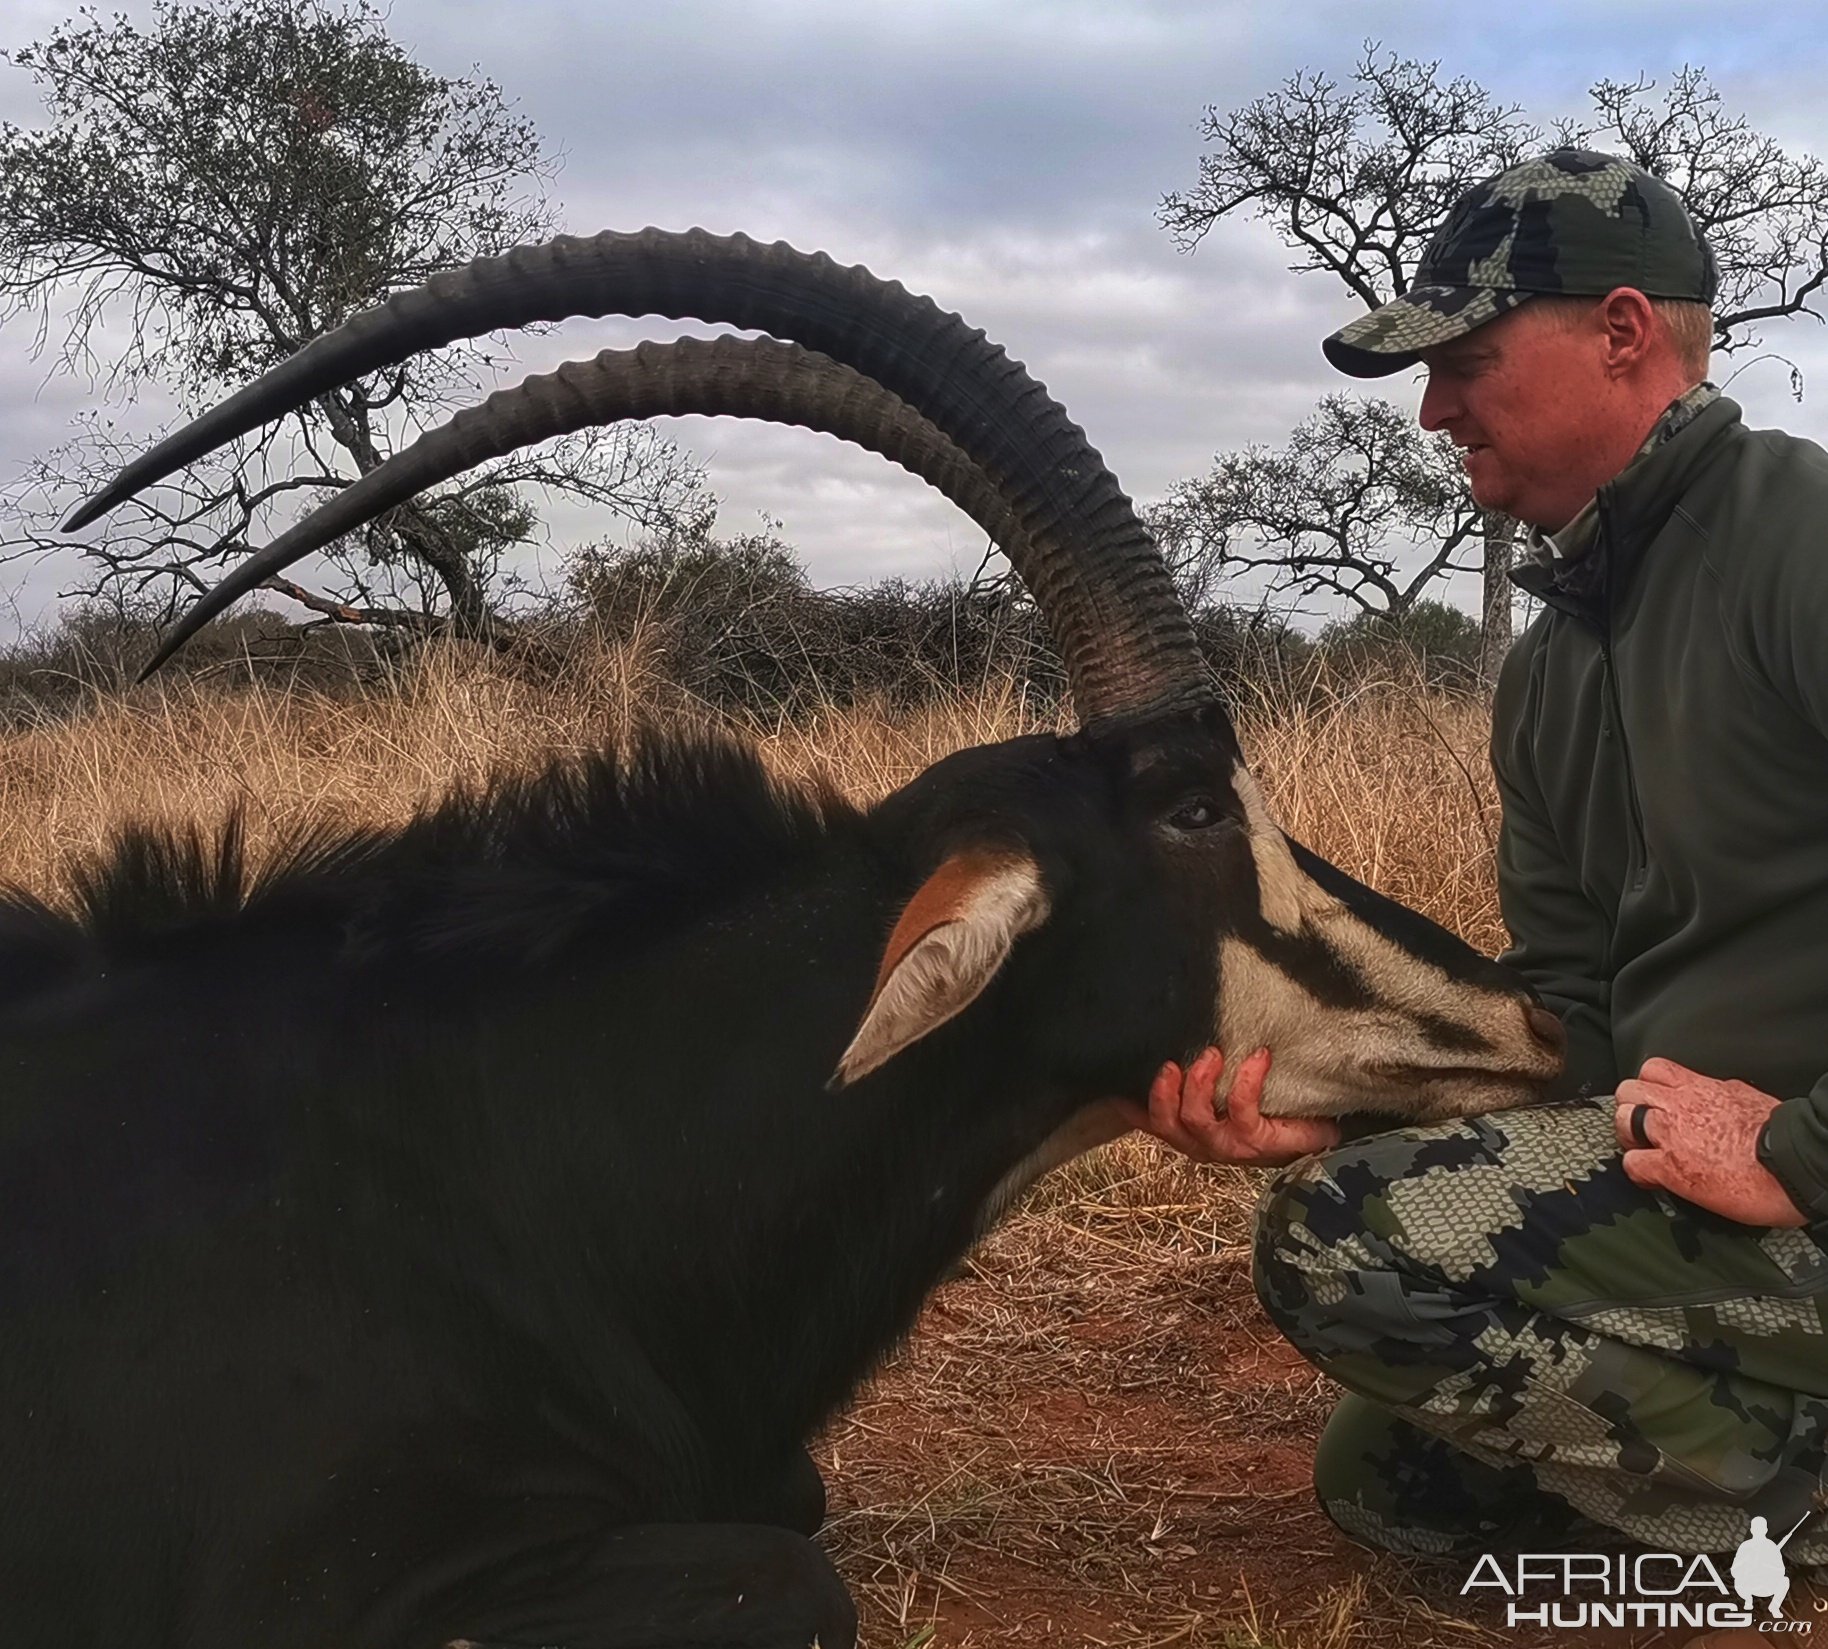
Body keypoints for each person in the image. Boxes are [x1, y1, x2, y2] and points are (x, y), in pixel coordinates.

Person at [1129, 149, 1828, 1576]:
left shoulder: (1803, 549)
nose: (1436, 406)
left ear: (1623, 333)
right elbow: (1567, 1014)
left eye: (1471, 357)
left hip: (1800, 1178)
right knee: (1393, 1479)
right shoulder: (1552, 665)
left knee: (1341, 1246)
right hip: (1698, 1183)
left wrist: (1795, 1151)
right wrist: (1337, 1111)